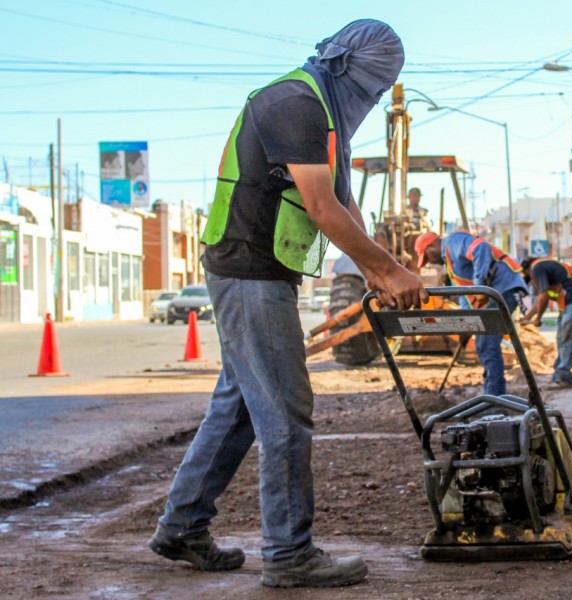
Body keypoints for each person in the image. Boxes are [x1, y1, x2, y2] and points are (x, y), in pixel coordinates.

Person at [148, 20, 427, 590]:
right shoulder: (296, 102)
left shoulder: (322, 112)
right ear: (350, 66)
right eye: (375, 87)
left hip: (259, 271)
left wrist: (378, 265)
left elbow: (346, 204)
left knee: (242, 407)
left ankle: (182, 526)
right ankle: (288, 552)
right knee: (284, 413)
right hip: (248, 271)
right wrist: (384, 269)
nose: (373, 100)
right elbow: (323, 209)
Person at [415, 231, 527, 396]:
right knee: (485, 344)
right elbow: (465, 296)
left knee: (487, 344)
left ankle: (495, 400)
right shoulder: (451, 263)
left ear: (431, 246)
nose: (430, 262)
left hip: (504, 287)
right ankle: (493, 395)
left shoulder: (453, 242)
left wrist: (479, 286)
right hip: (500, 290)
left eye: (427, 257)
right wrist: (465, 326)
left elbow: (480, 248)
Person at [520, 257, 572, 389]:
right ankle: (559, 374)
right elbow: (540, 298)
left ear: (528, 271)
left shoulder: (537, 269)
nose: (533, 283)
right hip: (570, 300)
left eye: (531, 280)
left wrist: (538, 319)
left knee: (567, 336)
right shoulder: (543, 267)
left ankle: (563, 376)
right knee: (561, 337)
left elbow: (543, 296)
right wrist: (527, 318)